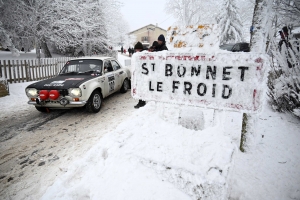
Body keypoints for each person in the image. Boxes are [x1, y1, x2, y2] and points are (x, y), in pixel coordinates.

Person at [133, 41, 146, 109]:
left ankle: (142, 102)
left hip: (143, 75)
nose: (135, 51)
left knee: (142, 89)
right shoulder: (137, 54)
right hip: (139, 75)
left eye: (136, 50)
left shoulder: (143, 55)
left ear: (139, 49)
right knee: (140, 89)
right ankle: (141, 102)